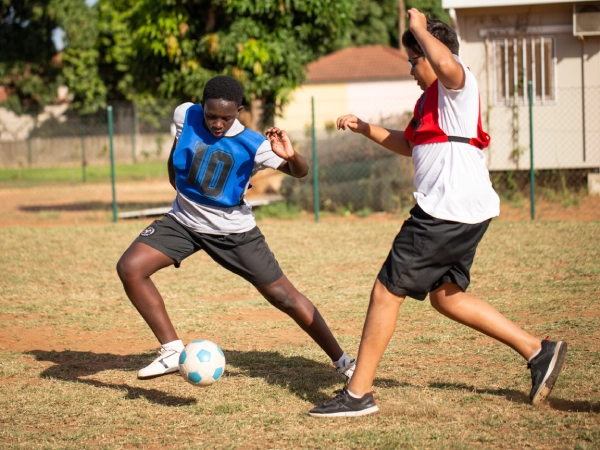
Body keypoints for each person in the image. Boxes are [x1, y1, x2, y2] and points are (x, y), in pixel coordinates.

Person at [308, 9, 567, 417]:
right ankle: (538, 351)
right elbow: (410, 143)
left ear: (433, 53)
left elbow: (445, 62)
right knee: (447, 299)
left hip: (444, 209)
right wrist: (364, 128)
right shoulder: (430, 101)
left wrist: (418, 30)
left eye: (414, 60)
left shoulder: (458, 83)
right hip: (462, 208)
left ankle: (357, 395)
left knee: (386, 291)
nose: (412, 69)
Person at [117, 75, 355, 382]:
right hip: (184, 222)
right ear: (201, 107)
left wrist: (291, 156)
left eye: (226, 118)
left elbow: (301, 172)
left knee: (285, 297)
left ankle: (344, 362)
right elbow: (176, 154)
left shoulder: (254, 144)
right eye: (211, 115)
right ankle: (172, 350)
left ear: (239, 111)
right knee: (130, 268)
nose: (217, 123)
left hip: (233, 232)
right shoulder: (184, 114)